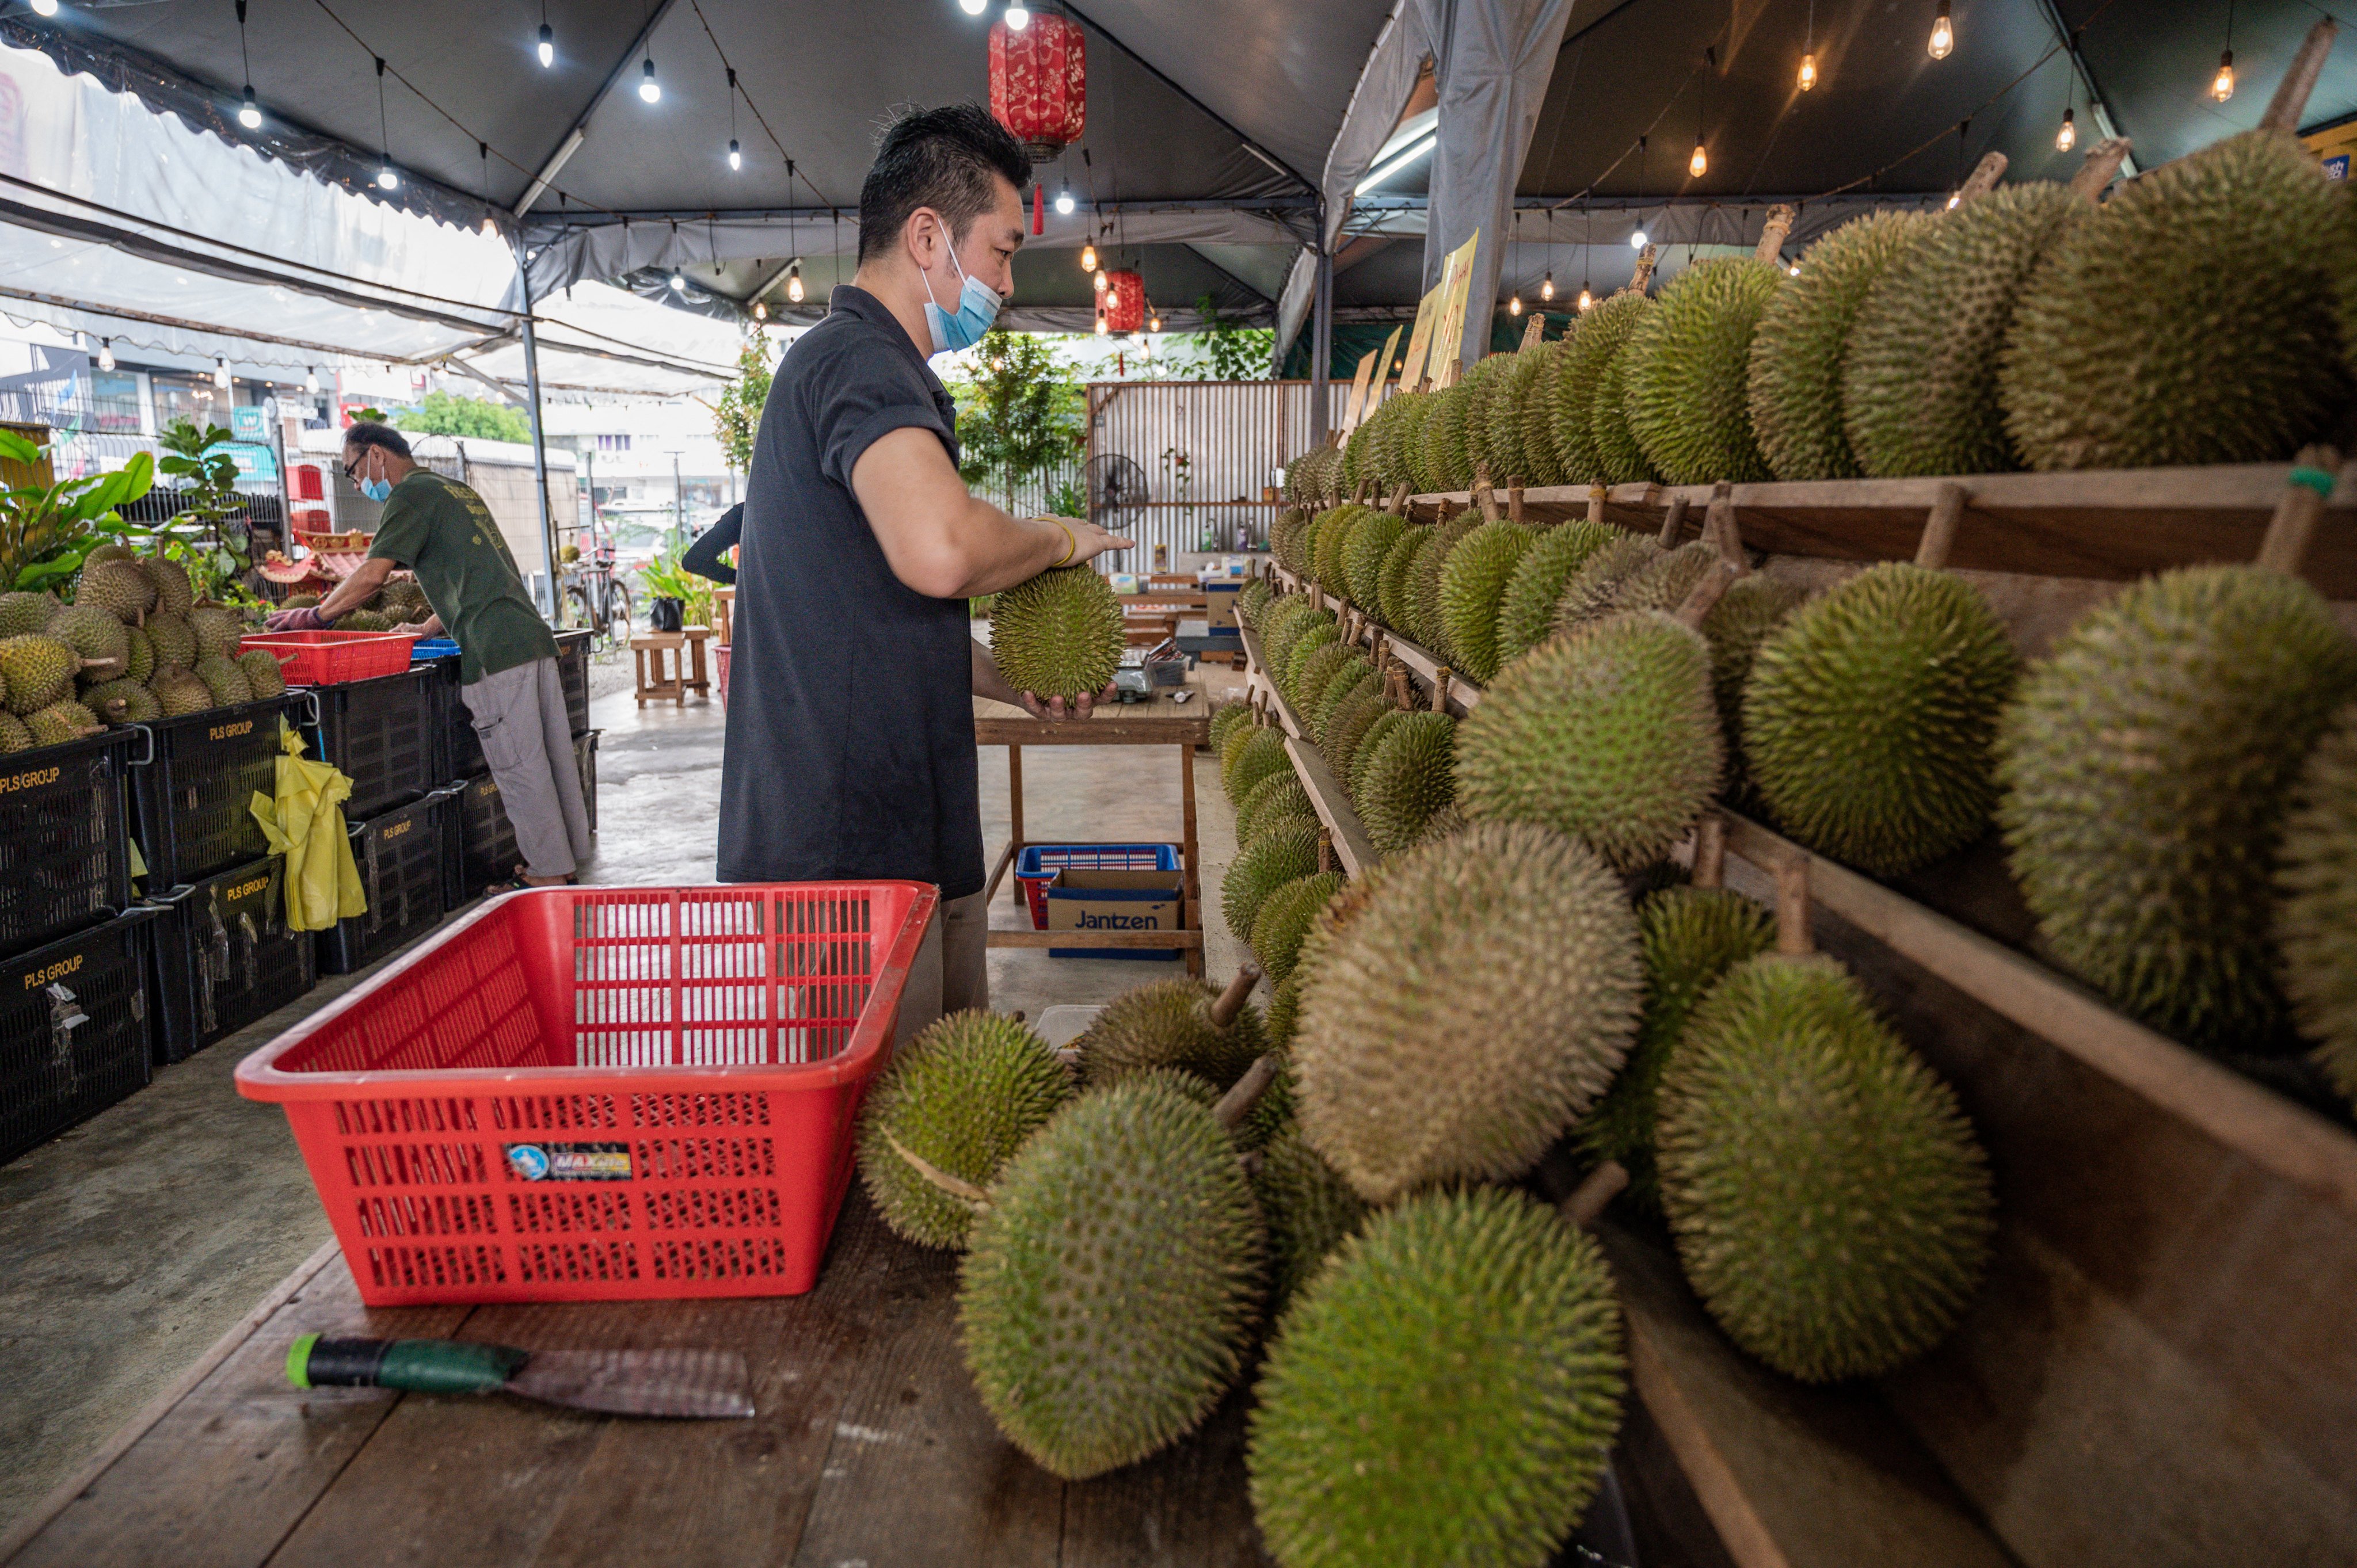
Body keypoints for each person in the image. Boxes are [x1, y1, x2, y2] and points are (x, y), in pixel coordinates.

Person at [718, 102, 1130, 1026]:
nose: (1006, 281)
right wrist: (1058, 537)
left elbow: (885, 618)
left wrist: (1013, 683)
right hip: (843, 859)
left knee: (935, 1118)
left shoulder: (868, 369)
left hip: (895, 834)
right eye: (1002, 250)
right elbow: (944, 550)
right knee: (889, 1152)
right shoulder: (857, 362)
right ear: (926, 236)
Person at [268, 422, 592, 888]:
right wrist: (426, 626)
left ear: (376, 454)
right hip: (530, 638)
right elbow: (477, 573)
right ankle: (565, 863)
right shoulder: (454, 491)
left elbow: (372, 576)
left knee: (521, 767)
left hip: (496, 649)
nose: (358, 484)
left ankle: (548, 879)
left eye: (352, 472)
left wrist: (315, 617)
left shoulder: (409, 496)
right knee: (553, 759)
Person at [682, 503, 740, 585]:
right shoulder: (742, 516)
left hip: (757, 593)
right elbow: (693, 561)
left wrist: (740, 579)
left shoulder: (742, 515)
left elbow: (693, 561)